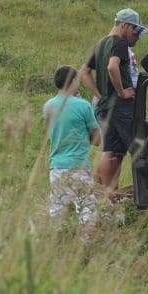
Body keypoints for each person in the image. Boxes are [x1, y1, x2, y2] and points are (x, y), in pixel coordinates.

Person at [79, 8, 147, 197]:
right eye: (135, 29)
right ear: (124, 25)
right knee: (139, 148)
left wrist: (99, 94)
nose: (137, 35)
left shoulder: (100, 43)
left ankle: (106, 194)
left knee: (111, 150)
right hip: (121, 107)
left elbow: (84, 72)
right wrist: (121, 91)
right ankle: (145, 193)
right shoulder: (120, 43)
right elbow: (112, 66)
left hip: (104, 107)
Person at [43, 65, 101, 225]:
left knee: (57, 211)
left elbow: (50, 135)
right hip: (79, 167)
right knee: (87, 210)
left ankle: (54, 244)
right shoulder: (83, 105)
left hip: (56, 168)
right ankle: (85, 245)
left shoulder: (48, 106)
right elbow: (97, 140)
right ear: (73, 81)